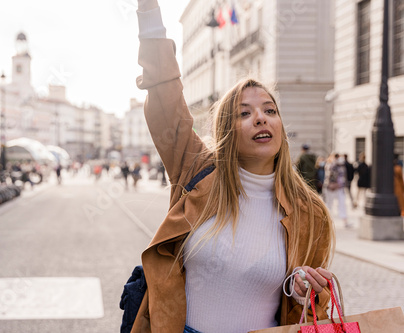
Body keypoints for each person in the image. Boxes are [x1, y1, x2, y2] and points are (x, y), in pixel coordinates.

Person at [129, 1, 336, 332]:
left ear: (280, 127)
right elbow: (166, 96)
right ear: (227, 129)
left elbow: (310, 309)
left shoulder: (311, 213)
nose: (260, 117)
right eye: (244, 113)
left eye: (270, 110)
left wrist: (303, 291)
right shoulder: (196, 170)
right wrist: (149, 13)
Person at [324, 153, 350, 227]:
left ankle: (344, 221)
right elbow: (330, 175)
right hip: (332, 187)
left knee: (340, 204)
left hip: (338, 187)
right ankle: (326, 221)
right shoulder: (331, 165)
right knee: (330, 204)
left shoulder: (339, 165)